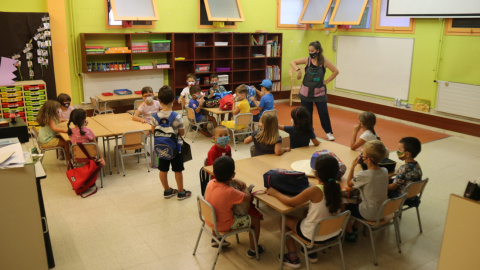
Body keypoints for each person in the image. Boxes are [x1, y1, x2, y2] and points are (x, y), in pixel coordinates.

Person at [267, 154, 343, 268]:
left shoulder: (314, 190)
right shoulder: (337, 186)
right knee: (305, 213)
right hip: (334, 232)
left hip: (313, 235)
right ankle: (311, 252)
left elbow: (290, 202)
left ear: (315, 173)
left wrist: (275, 193)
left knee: (284, 220)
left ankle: (293, 257)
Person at [205, 156, 265, 257]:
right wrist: (244, 186)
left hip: (210, 219)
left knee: (217, 206)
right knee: (255, 221)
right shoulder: (229, 191)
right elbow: (248, 198)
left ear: (214, 173)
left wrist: (233, 180)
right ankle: (254, 250)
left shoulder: (210, 183)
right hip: (224, 225)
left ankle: (216, 238)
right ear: (233, 175)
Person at [290, 41, 339, 141]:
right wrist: (298, 70)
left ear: (318, 50)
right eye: (309, 51)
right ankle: (310, 132)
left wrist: (327, 81)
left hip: (319, 92)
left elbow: (336, 71)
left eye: (312, 51)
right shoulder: (306, 60)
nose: (310, 52)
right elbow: (292, 62)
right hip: (306, 92)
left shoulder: (324, 61)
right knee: (307, 114)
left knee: (323, 112)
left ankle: (328, 132)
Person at [150, 85, 191, 200]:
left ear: (159, 101)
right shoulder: (177, 117)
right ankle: (181, 192)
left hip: (161, 147)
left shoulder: (154, 116)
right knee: (177, 170)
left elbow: (153, 131)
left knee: (163, 170)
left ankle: (167, 190)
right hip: (176, 147)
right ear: (173, 100)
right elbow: (182, 133)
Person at [345, 140, 388, 242]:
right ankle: (355, 228)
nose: (361, 155)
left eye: (362, 154)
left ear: (368, 160)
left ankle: (350, 234)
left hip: (371, 213)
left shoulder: (364, 175)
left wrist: (352, 167)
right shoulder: (385, 171)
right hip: (384, 211)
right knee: (360, 201)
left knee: (344, 207)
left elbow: (349, 183)